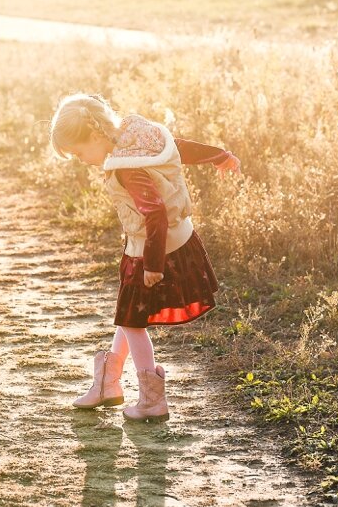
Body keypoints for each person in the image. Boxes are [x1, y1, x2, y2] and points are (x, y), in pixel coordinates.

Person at [48, 92, 241, 423]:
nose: (81, 160)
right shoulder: (137, 136)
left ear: (95, 136)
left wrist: (152, 265)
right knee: (128, 316)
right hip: (173, 242)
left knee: (133, 323)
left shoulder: (126, 168)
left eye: (80, 153)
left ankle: (152, 400)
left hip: (153, 250)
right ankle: (108, 383)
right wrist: (218, 155)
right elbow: (176, 146)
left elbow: (156, 214)